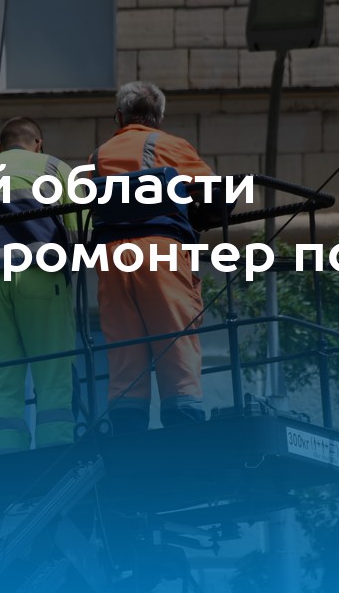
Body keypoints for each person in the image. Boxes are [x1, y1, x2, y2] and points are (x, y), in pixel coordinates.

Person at [0, 117, 79, 455]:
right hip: (41, 275)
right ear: (39, 143)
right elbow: (81, 231)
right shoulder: (55, 168)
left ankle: (4, 452)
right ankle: (56, 449)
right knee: (53, 373)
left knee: (2, 377)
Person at [89, 81, 211, 435]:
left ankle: (127, 435)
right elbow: (215, 194)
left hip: (112, 259)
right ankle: (185, 429)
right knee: (176, 342)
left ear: (119, 116)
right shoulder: (173, 145)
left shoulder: (98, 155)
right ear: (159, 117)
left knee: (125, 351)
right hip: (160, 253)